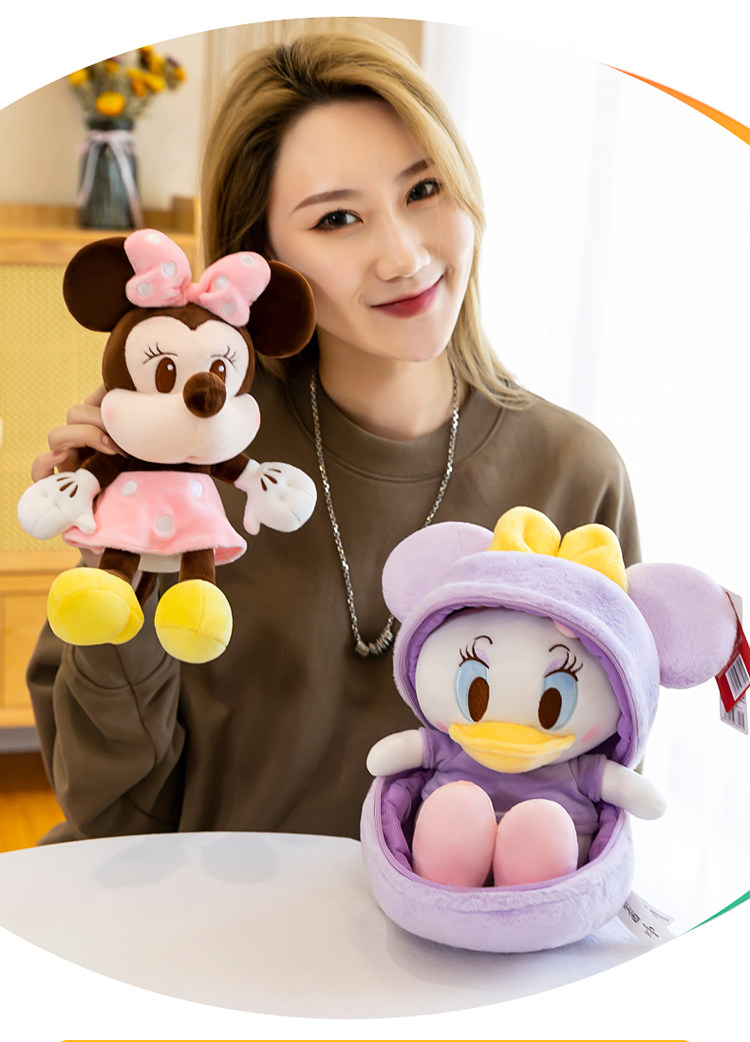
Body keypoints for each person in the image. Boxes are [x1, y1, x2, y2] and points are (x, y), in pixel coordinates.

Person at [26, 29, 640, 844]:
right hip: (195, 906)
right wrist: (115, 556)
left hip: (445, 921)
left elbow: (600, 791)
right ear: (263, 260)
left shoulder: (575, 474)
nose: (403, 256)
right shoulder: (199, 458)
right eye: (338, 218)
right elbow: (109, 805)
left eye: (424, 188)